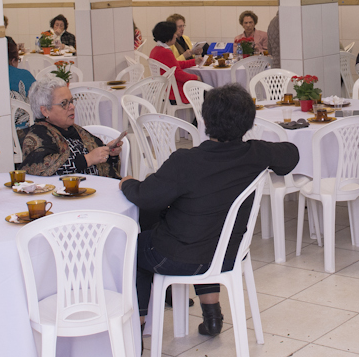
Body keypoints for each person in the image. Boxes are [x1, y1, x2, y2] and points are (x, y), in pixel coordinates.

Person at [121, 84, 298, 336]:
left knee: (132, 249)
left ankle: (136, 329)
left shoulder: (186, 161)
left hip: (179, 259)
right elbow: (291, 155)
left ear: (204, 121)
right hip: (229, 255)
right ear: (249, 123)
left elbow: (145, 197)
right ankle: (212, 315)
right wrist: (258, 148)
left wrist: (127, 183)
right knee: (208, 230)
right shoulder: (256, 154)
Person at [20, 80, 122, 178]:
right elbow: (39, 168)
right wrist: (87, 159)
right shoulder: (38, 136)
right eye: (64, 103)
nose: (72, 107)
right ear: (45, 111)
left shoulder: (75, 131)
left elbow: (105, 166)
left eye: (71, 101)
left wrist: (110, 154)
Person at [148, 21, 198, 104]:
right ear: (168, 35)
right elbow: (179, 74)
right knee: (205, 91)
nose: (176, 35)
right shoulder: (165, 52)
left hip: (164, 91)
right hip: (173, 93)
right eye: (174, 33)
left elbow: (175, 64)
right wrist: (196, 77)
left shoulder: (155, 50)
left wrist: (194, 62)